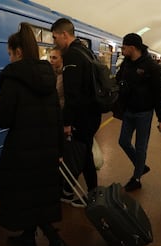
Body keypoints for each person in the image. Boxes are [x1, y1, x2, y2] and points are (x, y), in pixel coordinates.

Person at [0, 22, 69, 246]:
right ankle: (28, 237)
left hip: (22, 147)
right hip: (46, 146)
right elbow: (58, 116)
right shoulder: (49, 75)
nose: (9, 57)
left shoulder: (12, 78)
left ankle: (57, 243)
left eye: (9, 53)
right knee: (36, 193)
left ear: (17, 52)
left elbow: (3, 119)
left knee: (28, 195)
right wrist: (59, 148)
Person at [51, 18, 102, 206]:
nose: (54, 41)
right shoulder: (86, 51)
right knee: (84, 154)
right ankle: (84, 193)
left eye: (56, 37)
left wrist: (66, 123)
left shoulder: (72, 56)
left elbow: (72, 94)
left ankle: (90, 195)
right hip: (93, 113)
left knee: (82, 156)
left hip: (83, 117)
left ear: (65, 34)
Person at [115, 33, 161, 192]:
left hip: (144, 113)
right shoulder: (126, 63)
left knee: (140, 146)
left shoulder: (152, 67)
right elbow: (118, 78)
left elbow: (159, 94)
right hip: (128, 111)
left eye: (124, 48)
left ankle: (136, 178)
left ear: (132, 47)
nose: (122, 50)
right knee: (123, 141)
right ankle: (141, 166)